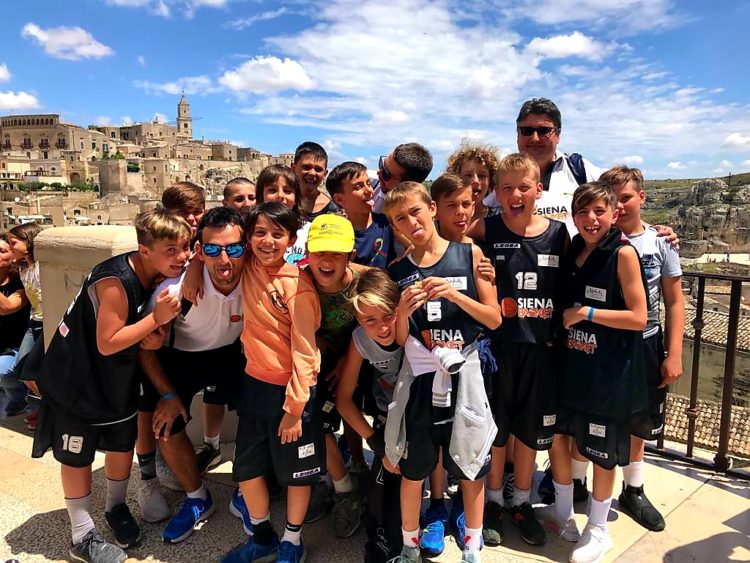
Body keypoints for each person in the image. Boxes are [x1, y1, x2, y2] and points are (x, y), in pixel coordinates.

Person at [30, 209, 190, 562]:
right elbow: (108, 341)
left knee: (121, 443)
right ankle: (82, 534)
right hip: (78, 379)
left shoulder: (153, 273)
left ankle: (116, 508)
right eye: (172, 249)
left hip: (117, 377)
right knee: (77, 454)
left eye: (185, 247)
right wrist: (156, 319)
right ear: (144, 250)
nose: (183, 256)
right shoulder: (116, 280)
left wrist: (151, 333)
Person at [385, 181, 501, 563]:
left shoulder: (470, 254)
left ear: (432, 209)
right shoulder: (398, 270)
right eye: (400, 219)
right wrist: (402, 312)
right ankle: (409, 546)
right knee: (414, 466)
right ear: (394, 226)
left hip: (465, 377)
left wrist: (454, 294)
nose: (411, 222)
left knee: (471, 464)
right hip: (421, 380)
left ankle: (472, 544)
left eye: (415, 212)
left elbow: (494, 318)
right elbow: (399, 339)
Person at [222, 202, 324, 563]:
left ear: (292, 239)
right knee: (247, 469)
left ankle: (292, 540)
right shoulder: (249, 265)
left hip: (293, 392)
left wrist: (295, 409)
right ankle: (262, 535)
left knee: (296, 473)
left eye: (277, 234)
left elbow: (306, 352)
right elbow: (216, 253)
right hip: (255, 386)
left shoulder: (298, 287)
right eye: (260, 233)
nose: (267, 241)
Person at [137, 207, 247, 543]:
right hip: (182, 356)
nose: (224, 260)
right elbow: (146, 348)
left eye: (234, 248)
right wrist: (168, 395)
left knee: (261, 412)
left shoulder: (257, 279)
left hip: (232, 353)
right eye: (212, 249)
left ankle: (248, 487)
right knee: (165, 425)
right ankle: (197, 497)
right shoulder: (173, 292)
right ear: (199, 250)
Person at [477, 154, 571, 547]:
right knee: (498, 431)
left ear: (539, 190)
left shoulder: (559, 234)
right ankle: (494, 501)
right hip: (499, 350)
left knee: (531, 433)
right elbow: (446, 239)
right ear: (496, 194)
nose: (515, 194)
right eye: (507, 188)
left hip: (542, 350)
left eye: (523, 187)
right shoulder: (486, 228)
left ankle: (521, 501)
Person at [552, 181, 648, 563]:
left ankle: (598, 528)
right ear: (573, 216)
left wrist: (587, 313)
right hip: (571, 364)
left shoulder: (622, 253)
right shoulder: (574, 249)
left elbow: (639, 317)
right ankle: (562, 512)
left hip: (606, 371)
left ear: (613, 214)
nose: (590, 219)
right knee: (560, 437)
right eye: (582, 212)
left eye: (598, 211)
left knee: (602, 451)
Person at [601, 165, 685, 532]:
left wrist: (674, 353)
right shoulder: (594, 238)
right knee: (594, 411)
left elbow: (675, 301)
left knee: (639, 420)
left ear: (642, 198)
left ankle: (633, 490)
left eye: (626, 198)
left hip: (646, 342)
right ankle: (577, 483)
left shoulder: (660, 242)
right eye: (613, 199)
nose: (619, 206)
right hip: (604, 342)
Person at [302, 214, 369, 536]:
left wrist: (347, 359)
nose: (326, 261)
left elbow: (381, 314)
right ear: (307, 253)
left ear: (350, 256)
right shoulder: (300, 281)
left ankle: (358, 466)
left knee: (352, 410)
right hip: (319, 358)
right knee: (317, 420)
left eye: (336, 254)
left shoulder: (365, 280)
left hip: (359, 354)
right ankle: (338, 482)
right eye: (319, 253)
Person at [336, 268, 406, 562]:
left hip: (418, 421)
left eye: (388, 315)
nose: (383, 327)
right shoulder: (360, 340)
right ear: (358, 319)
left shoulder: (414, 329)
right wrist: (375, 443)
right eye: (370, 320)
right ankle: (381, 534)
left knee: (405, 485)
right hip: (387, 423)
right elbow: (343, 400)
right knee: (380, 488)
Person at [327, 161, 396, 268]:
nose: (369, 190)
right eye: (358, 187)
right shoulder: (336, 234)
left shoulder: (387, 224)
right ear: (339, 199)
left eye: (368, 184)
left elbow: (414, 245)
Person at [7, 221, 44, 417]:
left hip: (47, 323)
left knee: (32, 370)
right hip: (34, 322)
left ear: (28, 241)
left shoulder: (42, 266)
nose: (10, 246)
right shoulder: (23, 269)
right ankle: (47, 406)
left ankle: (48, 409)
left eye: (13, 242)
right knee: (22, 369)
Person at [0, 233, 31, 416]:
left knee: (3, 371)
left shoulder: (22, 282)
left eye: (2, 251)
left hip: (14, 346)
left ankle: (18, 400)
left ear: (13, 256)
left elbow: (7, 307)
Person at [256, 164, 311, 266]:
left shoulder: (309, 231)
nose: (280, 195)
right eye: (272, 190)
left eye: (287, 191)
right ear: (261, 195)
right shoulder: (253, 230)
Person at [445, 142, 501, 223]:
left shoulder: (499, 217)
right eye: (468, 175)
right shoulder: (445, 217)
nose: (476, 181)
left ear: (491, 180)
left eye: (482, 176)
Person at [373, 143, 433, 214]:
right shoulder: (367, 183)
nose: (378, 173)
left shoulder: (419, 213)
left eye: (386, 174)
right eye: (381, 164)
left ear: (408, 185)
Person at [291, 141, 339, 218]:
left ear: (325, 174)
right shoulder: (283, 201)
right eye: (306, 167)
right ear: (294, 168)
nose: (312, 173)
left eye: (318, 169)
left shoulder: (333, 211)